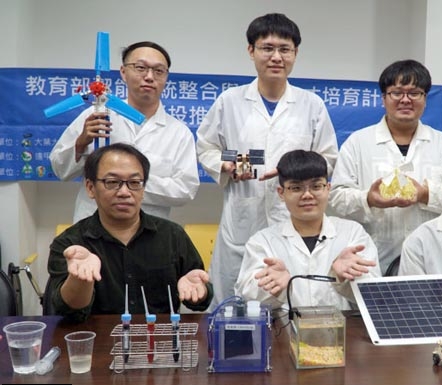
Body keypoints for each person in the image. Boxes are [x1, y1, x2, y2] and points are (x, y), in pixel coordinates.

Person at [196, 13, 338, 309]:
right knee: (236, 303)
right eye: (267, 48)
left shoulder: (311, 105)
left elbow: (327, 157)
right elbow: (206, 147)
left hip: (294, 220)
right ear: (251, 50)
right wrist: (226, 166)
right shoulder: (229, 101)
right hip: (242, 218)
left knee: (292, 300)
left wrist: (296, 172)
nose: (276, 57)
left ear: (295, 53)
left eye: (285, 49)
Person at [46, 143, 212, 322]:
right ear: (90, 187)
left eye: (134, 183)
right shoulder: (71, 244)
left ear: (143, 189)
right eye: (112, 182)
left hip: (158, 335)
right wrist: (81, 279)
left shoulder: (172, 235)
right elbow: (67, 311)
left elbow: (200, 301)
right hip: (95, 336)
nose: (124, 192)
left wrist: (199, 291)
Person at [329, 59, 442, 274]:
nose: (405, 100)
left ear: (425, 99)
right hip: (373, 258)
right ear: (384, 98)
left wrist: (426, 194)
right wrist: (369, 199)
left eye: (414, 93)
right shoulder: (358, 142)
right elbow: (336, 198)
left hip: (432, 259)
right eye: (397, 93)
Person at [50, 41, 200, 223]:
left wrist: (126, 184)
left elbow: (185, 190)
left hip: (149, 231)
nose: (149, 77)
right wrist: (80, 144)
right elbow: (60, 170)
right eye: (140, 68)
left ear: (166, 77)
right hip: (92, 227)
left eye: (158, 71)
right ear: (123, 72)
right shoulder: (96, 115)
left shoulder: (179, 133)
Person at [234, 150, 380, 312]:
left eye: (316, 186)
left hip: (342, 326)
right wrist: (275, 289)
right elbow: (246, 298)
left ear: (328, 188)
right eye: (296, 188)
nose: (307, 195)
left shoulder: (353, 234)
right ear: (281, 193)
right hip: (284, 327)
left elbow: (375, 296)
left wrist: (344, 278)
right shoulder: (262, 242)